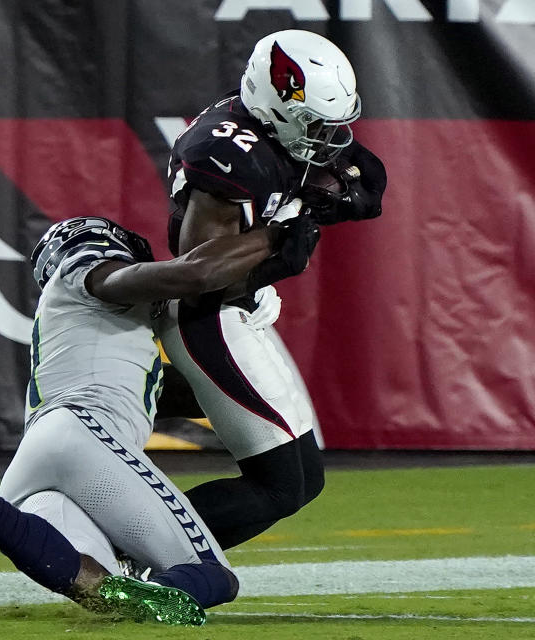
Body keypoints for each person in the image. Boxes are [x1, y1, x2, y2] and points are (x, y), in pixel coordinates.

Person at [0, 214, 319, 625]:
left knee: (100, 587)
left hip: (37, 454)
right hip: (83, 436)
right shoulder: (86, 272)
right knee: (213, 577)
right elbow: (179, 276)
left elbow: (203, 389)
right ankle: (162, 586)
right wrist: (266, 256)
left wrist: (242, 313)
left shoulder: (98, 337)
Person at [157, 29, 387, 549]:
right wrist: (275, 254)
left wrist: (324, 199)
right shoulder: (227, 151)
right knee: (279, 486)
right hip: (210, 316)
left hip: (241, 310)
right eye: (315, 126)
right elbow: (199, 278)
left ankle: (140, 538)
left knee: (304, 482)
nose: (328, 140)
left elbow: (365, 178)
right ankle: (130, 552)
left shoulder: (273, 127)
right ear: (276, 103)